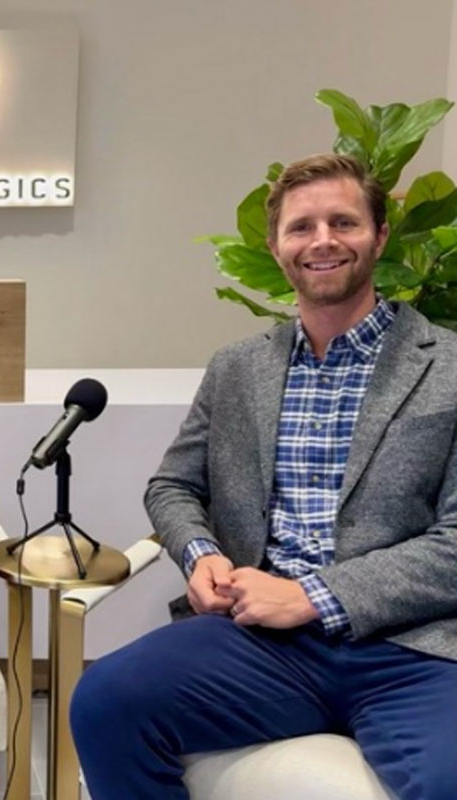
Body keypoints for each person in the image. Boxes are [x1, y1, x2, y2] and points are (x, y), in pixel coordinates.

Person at [70, 153, 457, 799]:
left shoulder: (447, 365)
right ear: (278, 248)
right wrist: (200, 555)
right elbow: (173, 486)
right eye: (302, 227)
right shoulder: (239, 368)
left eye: (344, 222)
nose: (323, 241)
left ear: (380, 236)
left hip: (414, 651)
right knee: (104, 701)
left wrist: (312, 596)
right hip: (262, 645)